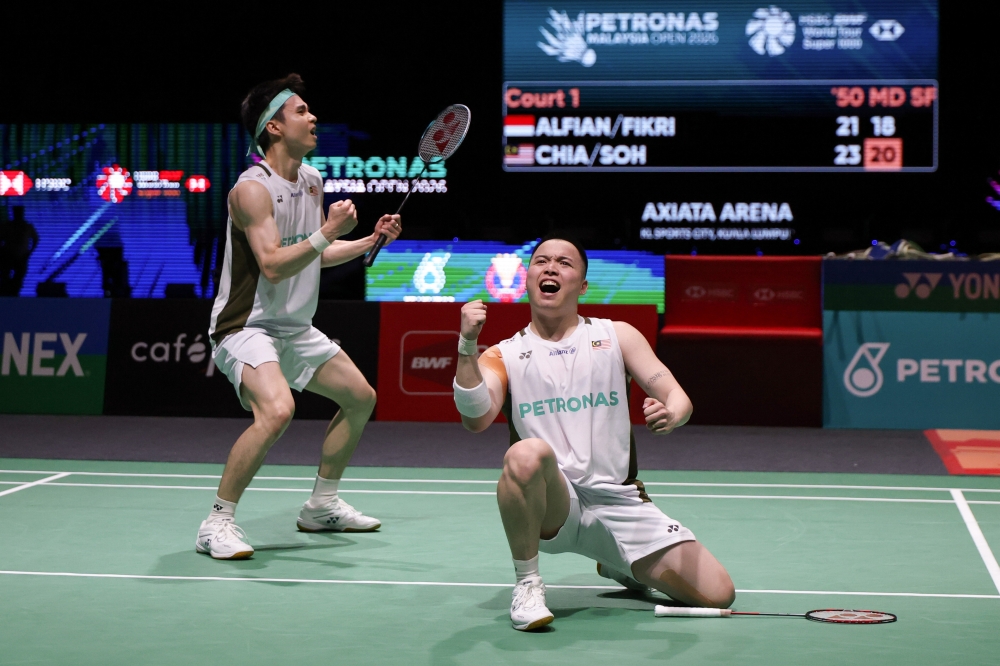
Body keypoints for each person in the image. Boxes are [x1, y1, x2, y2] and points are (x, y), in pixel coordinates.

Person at [453, 236, 735, 630]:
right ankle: (528, 584)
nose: (551, 268)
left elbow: (676, 395)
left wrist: (672, 413)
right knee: (525, 453)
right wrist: (467, 345)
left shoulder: (616, 336)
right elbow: (476, 418)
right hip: (557, 506)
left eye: (564, 263)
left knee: (718, 594)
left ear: (583, 286)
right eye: (541, 261)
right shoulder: (504, 354)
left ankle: (616, 561)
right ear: (528, 278)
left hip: (620, 501)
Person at [197, 74, 402, 560]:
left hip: (294, 327)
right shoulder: (251, 190)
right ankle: (216, 522)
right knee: (277, 410)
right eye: (302, 111)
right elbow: (272, 263)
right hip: (245, 326)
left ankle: (321, 505)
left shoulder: (311, 181)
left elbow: (314, 255)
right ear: (273, 127)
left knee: (360, 398)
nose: (313, 118)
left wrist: (369, 241)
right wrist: (329, 230)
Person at [0, 206, 39, 296]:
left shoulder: (27, 227)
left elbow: (36, 239)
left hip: (20, 257)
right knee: (6, 277)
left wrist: (29, 252)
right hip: (9, 256)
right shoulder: (8, 226)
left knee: (18, 277)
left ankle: (13, 294)